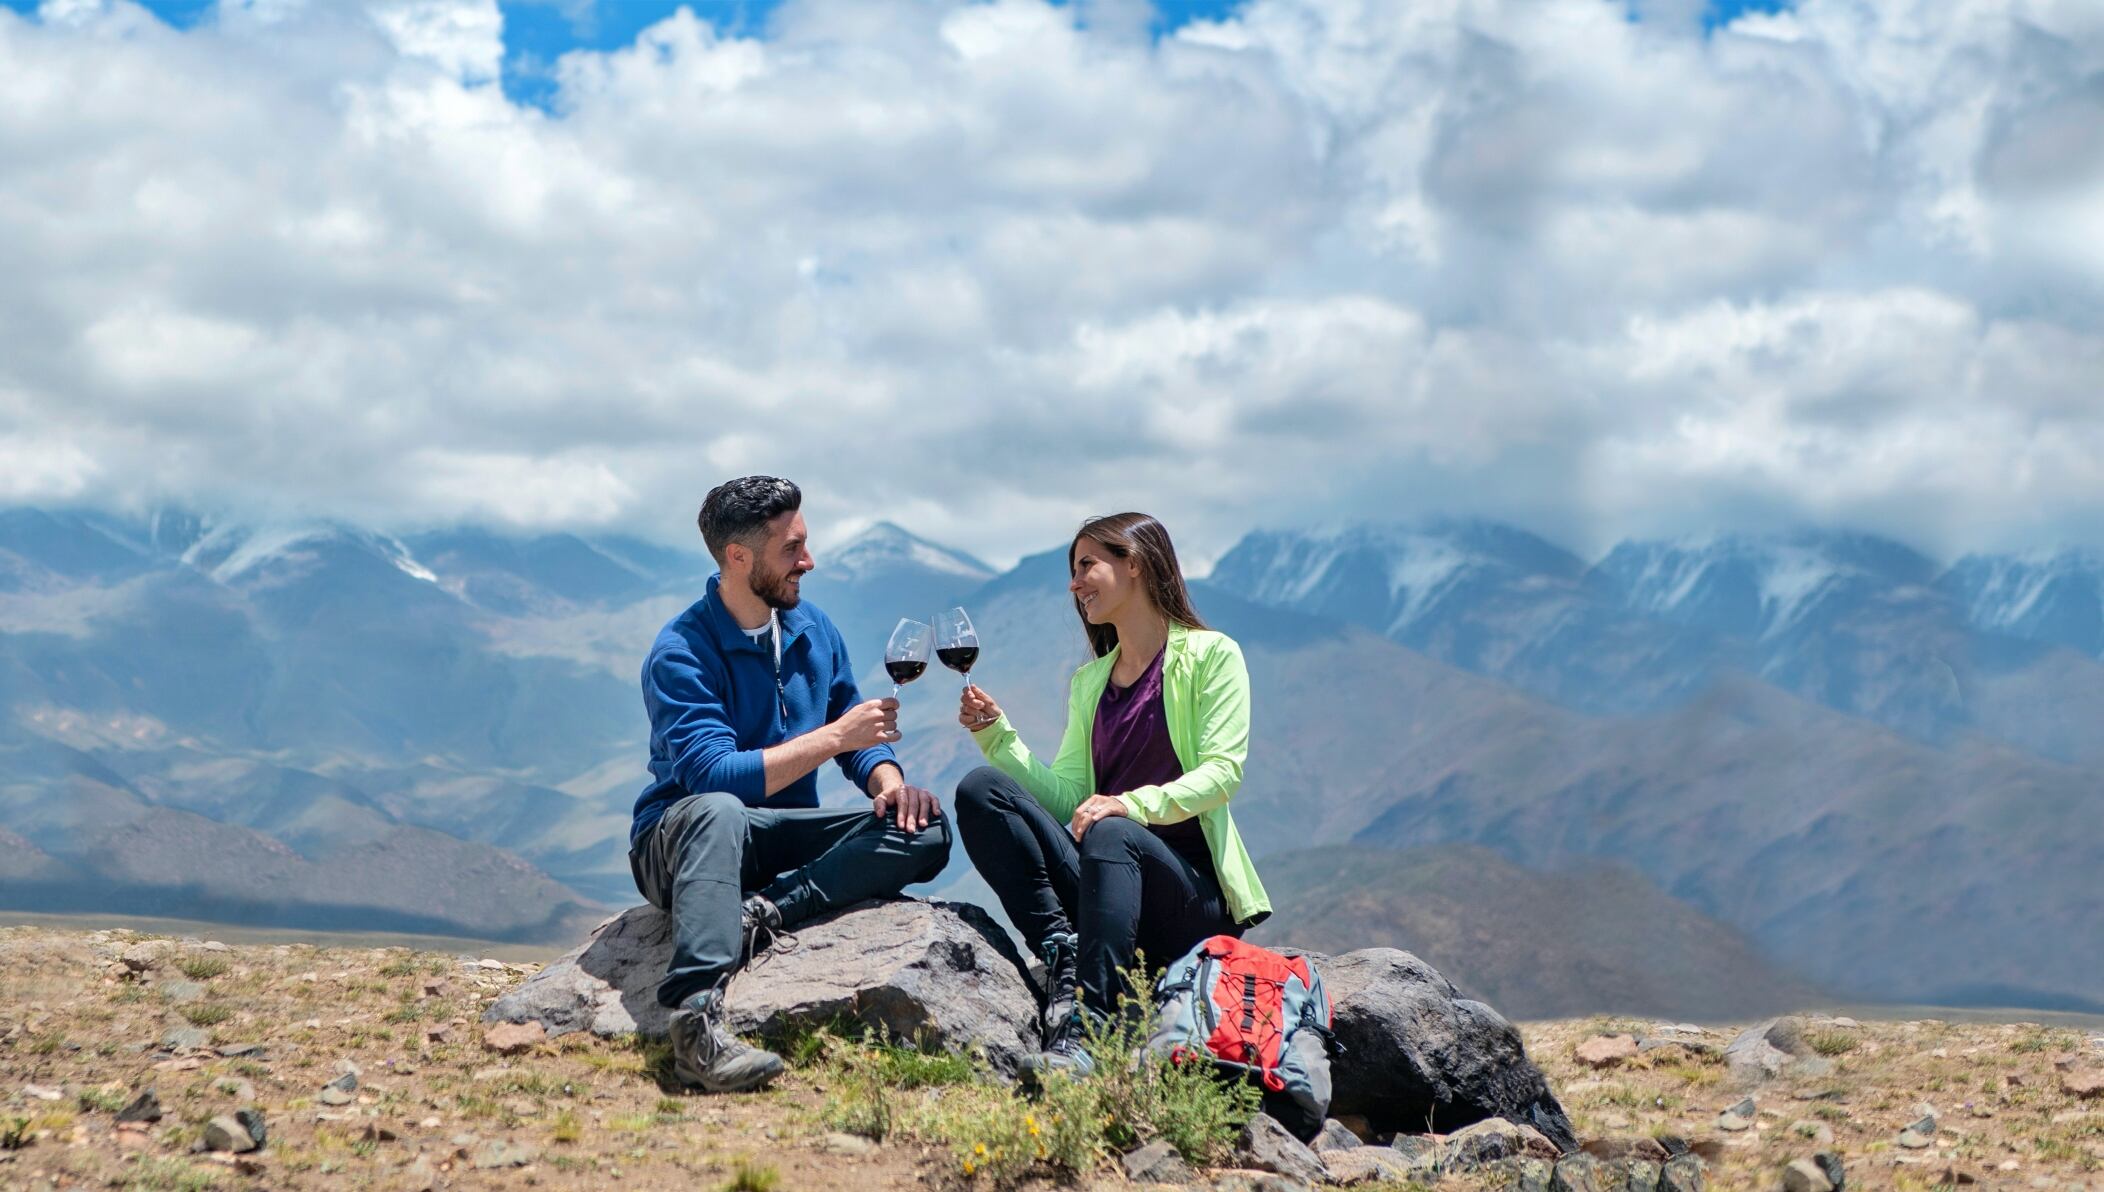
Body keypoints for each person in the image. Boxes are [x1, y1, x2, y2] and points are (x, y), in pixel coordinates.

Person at [629, 476, 951, 1092]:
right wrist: (836, 737)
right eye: (792, 549)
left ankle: (765, 912)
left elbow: (857, 731)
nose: (809, 561)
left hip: (774, 839)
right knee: (717, 809)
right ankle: (697, 1030)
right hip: (684, 841)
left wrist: (888, 782)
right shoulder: (681, 652)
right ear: (739, 557)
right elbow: (713, 777)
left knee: (926, 827)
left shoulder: (811, 629)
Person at [953, 512, 1270, 1075]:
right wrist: (997, 737)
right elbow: (1070, 794)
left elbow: (1223, 773)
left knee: (1112, 829)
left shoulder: (1212, 656)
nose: (1074, 584)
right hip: (1107, 882)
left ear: (1136, 565)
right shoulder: (1090, 683)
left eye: (1086, 565)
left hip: (1190, 900)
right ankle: (1064, 953)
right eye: (1072, 571)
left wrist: (1129, 804)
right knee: (983, 790)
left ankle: (1090, 1037)